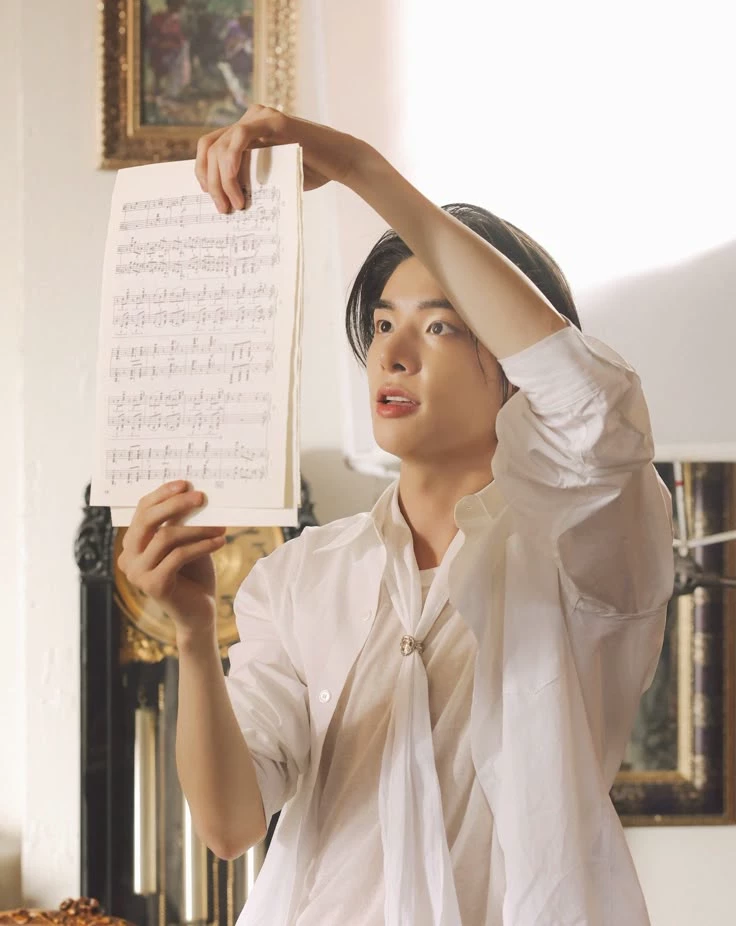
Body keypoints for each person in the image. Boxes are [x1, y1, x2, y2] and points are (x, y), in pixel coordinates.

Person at [117, 105, 675, 925]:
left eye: (440, 325)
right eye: (382, 323)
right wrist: (194, 637)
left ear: (515, 366)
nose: (393, 353)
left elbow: (591, 404)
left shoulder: (586, 550)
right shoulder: (300, 576)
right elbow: (231, 824)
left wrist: (360, 169)